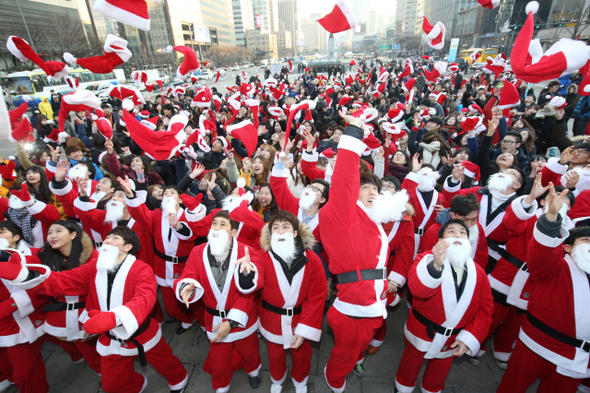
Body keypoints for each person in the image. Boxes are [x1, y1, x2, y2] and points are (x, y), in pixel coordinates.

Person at [0, 226, 189, 393]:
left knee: (166, 363)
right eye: (107, 237)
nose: (107, 240)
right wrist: (25, 275)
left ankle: (179, 379)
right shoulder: (93, 267)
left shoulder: (141, 269)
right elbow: (63, 281)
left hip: (141, 332)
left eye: (115, 238)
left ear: (127, 247)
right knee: (111, 385)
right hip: (110, 337)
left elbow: (145, 298)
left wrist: (114, 317)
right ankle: (136, 384)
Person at [320, 110, 404, 393]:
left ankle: (350, 362)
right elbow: (345, 181)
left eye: (375, 190)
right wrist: (354, 133)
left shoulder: (373, 221)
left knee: (354, 350)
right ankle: (334, 382)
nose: (371, 192)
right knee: (343, 357)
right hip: (355, 308)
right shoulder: (342, 213)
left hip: (372, 304)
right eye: (364, 188)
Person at [497, 186, 590, 393]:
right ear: (568, 247)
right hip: (537, 345)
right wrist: (551, 218)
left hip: (577, 361)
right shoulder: (557, 266)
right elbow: (542, 252)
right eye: (586, 240)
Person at [394, 219, 494, 393]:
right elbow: (417, 289)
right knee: (408, 368)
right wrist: (435, 266)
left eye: (463, 232)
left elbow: (486, 308)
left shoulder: (479, 273)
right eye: (451, 231)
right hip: (422, 331)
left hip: (453, 339)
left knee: (438, 376)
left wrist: (468, 338)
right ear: (441, 240)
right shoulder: (425, 260)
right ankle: (402, 388)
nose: (457, 235)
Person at [235, 210, 327, 393]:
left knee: (302, 354)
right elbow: (255, 279)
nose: (280, 231)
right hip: (272, 318)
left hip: (301, 318)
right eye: (275, 228)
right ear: (271, 234)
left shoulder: (313, 260)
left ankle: (300, 382)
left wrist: (305, 327)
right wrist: (247, 273)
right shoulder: (261, 257)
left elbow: (317, 296)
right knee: (274, 355)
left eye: (286, 227)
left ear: (295, 233)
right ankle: (277, 379)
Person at [174, 210, 263, 393]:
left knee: (250, 351)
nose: (216, 228)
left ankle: (253, 371)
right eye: (214, 223)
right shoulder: (198, 251)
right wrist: (187, 286)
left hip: (242, 320)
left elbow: (249, 292)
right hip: (213, 320)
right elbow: (189, 274)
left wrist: (231, 322)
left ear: (233, 232)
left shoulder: (247, 252)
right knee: (219, 360)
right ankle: (221, 386)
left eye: (223, 224)